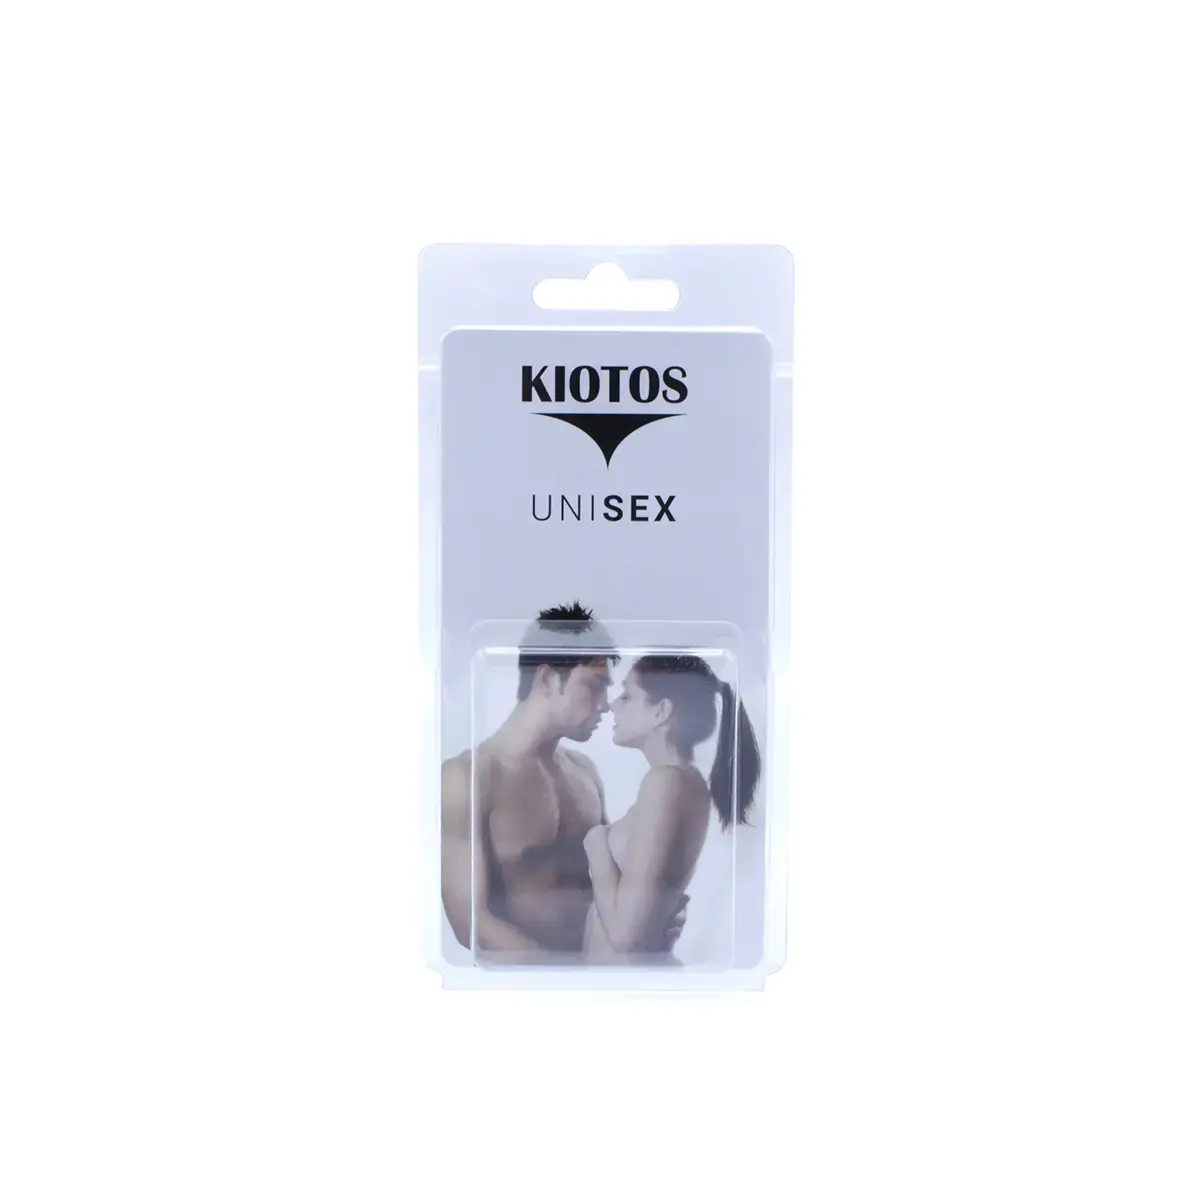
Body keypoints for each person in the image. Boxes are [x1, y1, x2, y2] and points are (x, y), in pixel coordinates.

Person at [440, 603, 685, 961]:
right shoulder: (465, 779)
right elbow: (471, 923)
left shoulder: (584, 773)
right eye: (595, 686)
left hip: (604, 976)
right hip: (523, 988)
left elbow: (614, 884)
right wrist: (567, 976)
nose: (605, 705)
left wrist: (655, 918)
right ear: (548, 679)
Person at [583, 654, 760, 962]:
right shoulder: (678, 783)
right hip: (623, 982)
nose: (612, 705)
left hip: (628, 985)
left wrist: (596, 843)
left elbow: (624, 935)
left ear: (661, 711)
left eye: (627, 696)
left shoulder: (667, 783)